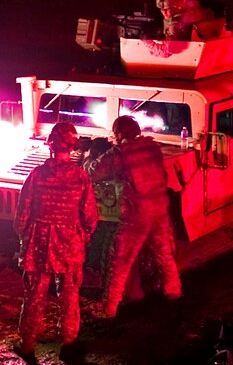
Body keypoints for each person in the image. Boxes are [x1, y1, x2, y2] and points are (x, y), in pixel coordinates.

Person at [13, 122, 99, 359]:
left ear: (50, 145)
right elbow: (90, 216)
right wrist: (85, 235)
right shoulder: (80, 177)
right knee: (70, 294)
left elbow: (22, 213)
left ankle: (28, 346)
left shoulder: (37, 175)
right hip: (70, 242)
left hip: (39, 243)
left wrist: (23, 235)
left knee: (34, 294)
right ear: (73, 148)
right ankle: (69, 345)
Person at [84, 115, 182, 318]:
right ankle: (174, 293)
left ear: (118, 134)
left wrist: (87, 157)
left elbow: (94, 173)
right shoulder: (152, 148)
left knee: (120, 260)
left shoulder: (120, 153)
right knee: (164, 255)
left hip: (136, 215)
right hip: (159, 210)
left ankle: (109, 308)